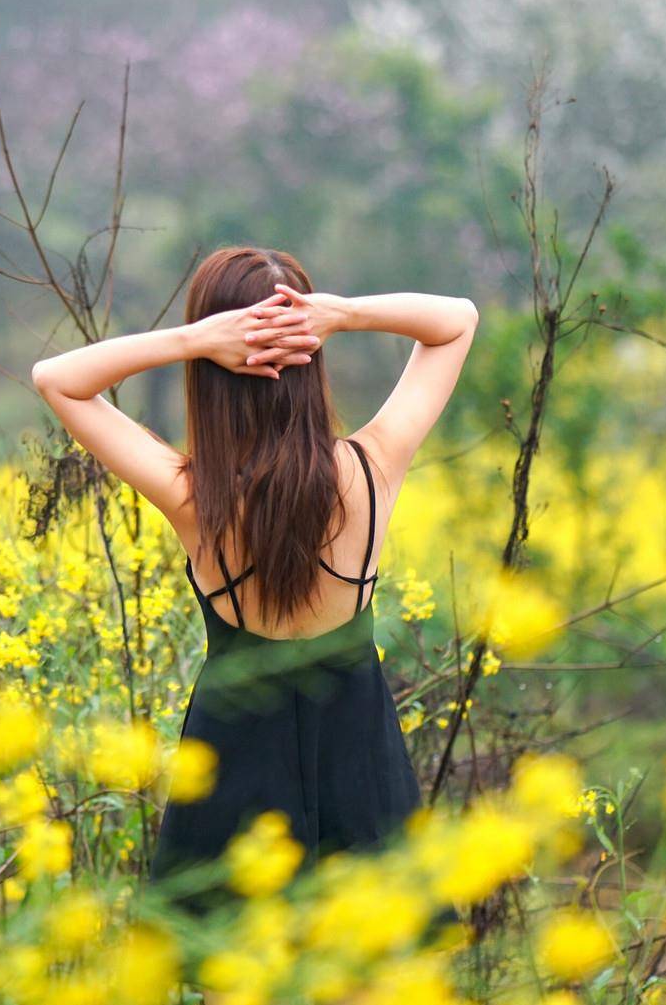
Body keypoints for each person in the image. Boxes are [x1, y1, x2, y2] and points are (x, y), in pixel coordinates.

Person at [30, 245, 479, 921]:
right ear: (312, 359)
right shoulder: (372, 467)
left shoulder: (193, 498)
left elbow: (56, 378)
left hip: (233, 766)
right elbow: (458, 319)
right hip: (360, 762)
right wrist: (343, 313)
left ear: (215, 373)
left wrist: (196, 340)